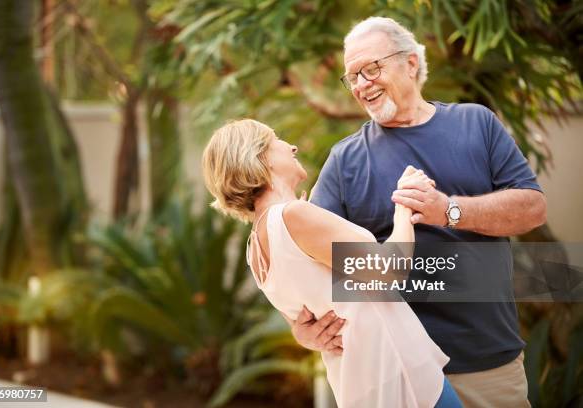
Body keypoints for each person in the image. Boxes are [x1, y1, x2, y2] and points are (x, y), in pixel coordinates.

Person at [292, 16, 546, 408]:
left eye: (370, 69)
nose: (360, 85)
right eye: (352, 77)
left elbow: (532, 208)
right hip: (394, 374)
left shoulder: (476, 123)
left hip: (486, 365)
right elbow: (309, 262)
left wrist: (448, 210)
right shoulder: (344, 161)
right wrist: (305, 328)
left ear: (410, 63)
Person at [202, 119, 463, 407]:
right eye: (277, 138)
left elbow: (304, 322)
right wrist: (404, 205)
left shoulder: (256, 249)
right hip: (399, 375)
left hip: (360, 386)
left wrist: (303, 336)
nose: (292, 146)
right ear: (259, 156)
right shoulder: (294, 216)